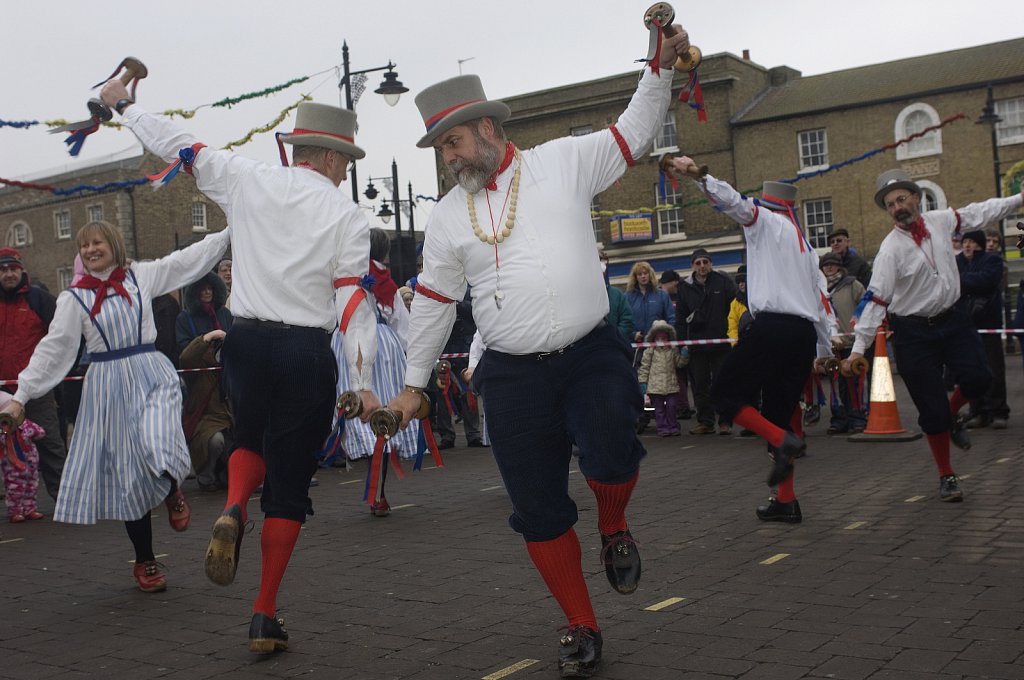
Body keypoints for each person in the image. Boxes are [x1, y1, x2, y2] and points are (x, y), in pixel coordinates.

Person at [387, 25, 692, 679]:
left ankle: (613, 526)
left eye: (454, 140)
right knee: (537, 506)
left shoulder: (563, 162)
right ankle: (582, 624)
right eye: (441, 147)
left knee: (613, 448)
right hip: (509, 374)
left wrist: (660, 68)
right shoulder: (446, 217)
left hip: (590, 353)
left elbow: (634, 133)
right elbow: (436, 301)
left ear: (489, 127)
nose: (449, 156)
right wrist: (414, 383)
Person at [99, 81, 381, 652]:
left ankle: (232, 507)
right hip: (305, 348)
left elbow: (180, 145)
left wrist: (124, 106)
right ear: (329, 156)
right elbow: (352, 299)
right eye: (346, 161)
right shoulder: (347, 214)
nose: (346, 172)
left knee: (248, 436)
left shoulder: (248, 179)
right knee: (290, 486)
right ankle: (263, 614)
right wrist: (364, 379)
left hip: (245, 340)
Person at [0, 220, 229, 591]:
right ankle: (146, 560)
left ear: (114, 244)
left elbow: (187, 260)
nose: (91, 249)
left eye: (98, 242)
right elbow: (53, 349)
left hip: (150, 374)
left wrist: (230, 230)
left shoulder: (142, 276)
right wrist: (21, 397)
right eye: (84, 245)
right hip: (107, 387)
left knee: (159, 442)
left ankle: (171, 487)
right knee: (130, 479)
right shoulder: (74, 299)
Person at [669, 156, 835, 525]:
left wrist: (698, 175)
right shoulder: (805, 246)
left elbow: (735, 203)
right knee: (781, 412)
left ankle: (782, 440)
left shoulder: (765, 221)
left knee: (725, 395)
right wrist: (825, 349)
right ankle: (786, 501)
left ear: (769, 201)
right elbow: (821, 300)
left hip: (773, 327)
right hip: (803, 334)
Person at [846, 169, 1023, 502]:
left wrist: (1019, 199)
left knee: (979, 380)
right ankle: (947, 475)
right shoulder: (889, 251)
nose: (897, 207)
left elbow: (982, 211)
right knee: (932, 412)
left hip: (954, 321)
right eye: (889, 204)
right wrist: (858, 349)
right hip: (914, 333)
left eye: (901, 199)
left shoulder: (942, 220)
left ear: (915, 197)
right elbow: (875, 299)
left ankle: (953, 413)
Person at [331, 228, 418, 517]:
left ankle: (363, 466)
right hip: (383, 348)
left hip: (347, 345)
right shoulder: (385, 282)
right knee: (382, 413)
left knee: (356, 407)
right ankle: (378, 491)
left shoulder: (343, 274)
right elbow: (401, 323)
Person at [0, 247, 67, 501]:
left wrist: (56, 373)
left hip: (36, 388)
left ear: (22, 270)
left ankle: (64, 497)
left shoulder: (40, 300)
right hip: (1, 390)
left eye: (13, 269)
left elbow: (62, 339)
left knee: (50, 442)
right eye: (3, 270)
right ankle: (15, 500)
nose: (8, 274)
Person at [676, 248, 737, 435]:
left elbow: (734, 310)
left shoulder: (723, 282)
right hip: (697, 343)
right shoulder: (684, 287)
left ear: (710, 263)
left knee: (722, 382)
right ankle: (705, 421)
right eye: (698, 263)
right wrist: (682, 344)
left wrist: (733, 336)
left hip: (721, 342)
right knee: (700, 384)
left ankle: (725, 421)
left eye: (705, 262)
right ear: (692, 265)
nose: (702, 266)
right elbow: (680, 317)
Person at [957, 229, 1008, 429]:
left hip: (988, 323)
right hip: (965, 324)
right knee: (971, 371)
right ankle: (978, 410)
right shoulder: (957, 261)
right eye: (965, 241)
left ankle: (999, 411)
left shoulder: (991, 261)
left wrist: (961, 280)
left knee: (994, 369)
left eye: (972, 242)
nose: (967, 245)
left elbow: (986, 281)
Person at [819, 252, 867, 435]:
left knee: (853, 384)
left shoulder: (852, 285)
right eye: (826, 265)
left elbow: (865, 307)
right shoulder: (819, 289)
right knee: (835, 386)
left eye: (832, 264)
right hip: (830, 346)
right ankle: (839, 419)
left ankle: (857, 418)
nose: (829, 267)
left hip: (850, 343)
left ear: (839, 266)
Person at [0, 390, 45, 523]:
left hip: (31, 464)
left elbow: (41, 433)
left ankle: (30, 509)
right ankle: (15, 511)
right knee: (15, 488)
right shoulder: (3, 431)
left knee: (31, 486)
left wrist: (29, 431)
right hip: (12, 466)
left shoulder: (26, 425)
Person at [637, 320, 688, 436]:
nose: (662, 337)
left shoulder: (673, 349)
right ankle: (662, 428)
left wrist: (684, 355)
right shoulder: (649, 351)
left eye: (664, 334)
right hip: (655, 387)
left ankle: (673, 426)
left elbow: (678, 364)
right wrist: (643, 383)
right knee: (659, 410)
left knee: (672, 407)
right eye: (659, 334)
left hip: (671, 385)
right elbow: (644, 367)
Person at [657, 269, 694, 420]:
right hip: (669, 340)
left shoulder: (672, 296)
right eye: (675, 282)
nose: (676, 285)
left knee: (680, 375)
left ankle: (680, 406)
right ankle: (679, 406)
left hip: (674, 339)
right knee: (677, 376)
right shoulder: (664, 297)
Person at [625, 261, 675, 347]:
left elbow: (671, 318)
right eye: (639, 274)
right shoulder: (627, 297)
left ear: (650, 274)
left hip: (659, 345)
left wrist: (665, 334)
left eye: (645, 273)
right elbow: (624, 320)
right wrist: (632, 334)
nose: (643, 276)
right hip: (636, 346)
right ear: (635, 277)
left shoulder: (662, 295)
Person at [599, 249, 634, 341]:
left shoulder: (617, 295)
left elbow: (627, 321)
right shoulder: (584, 297)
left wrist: (614, 336)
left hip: (614, 346)